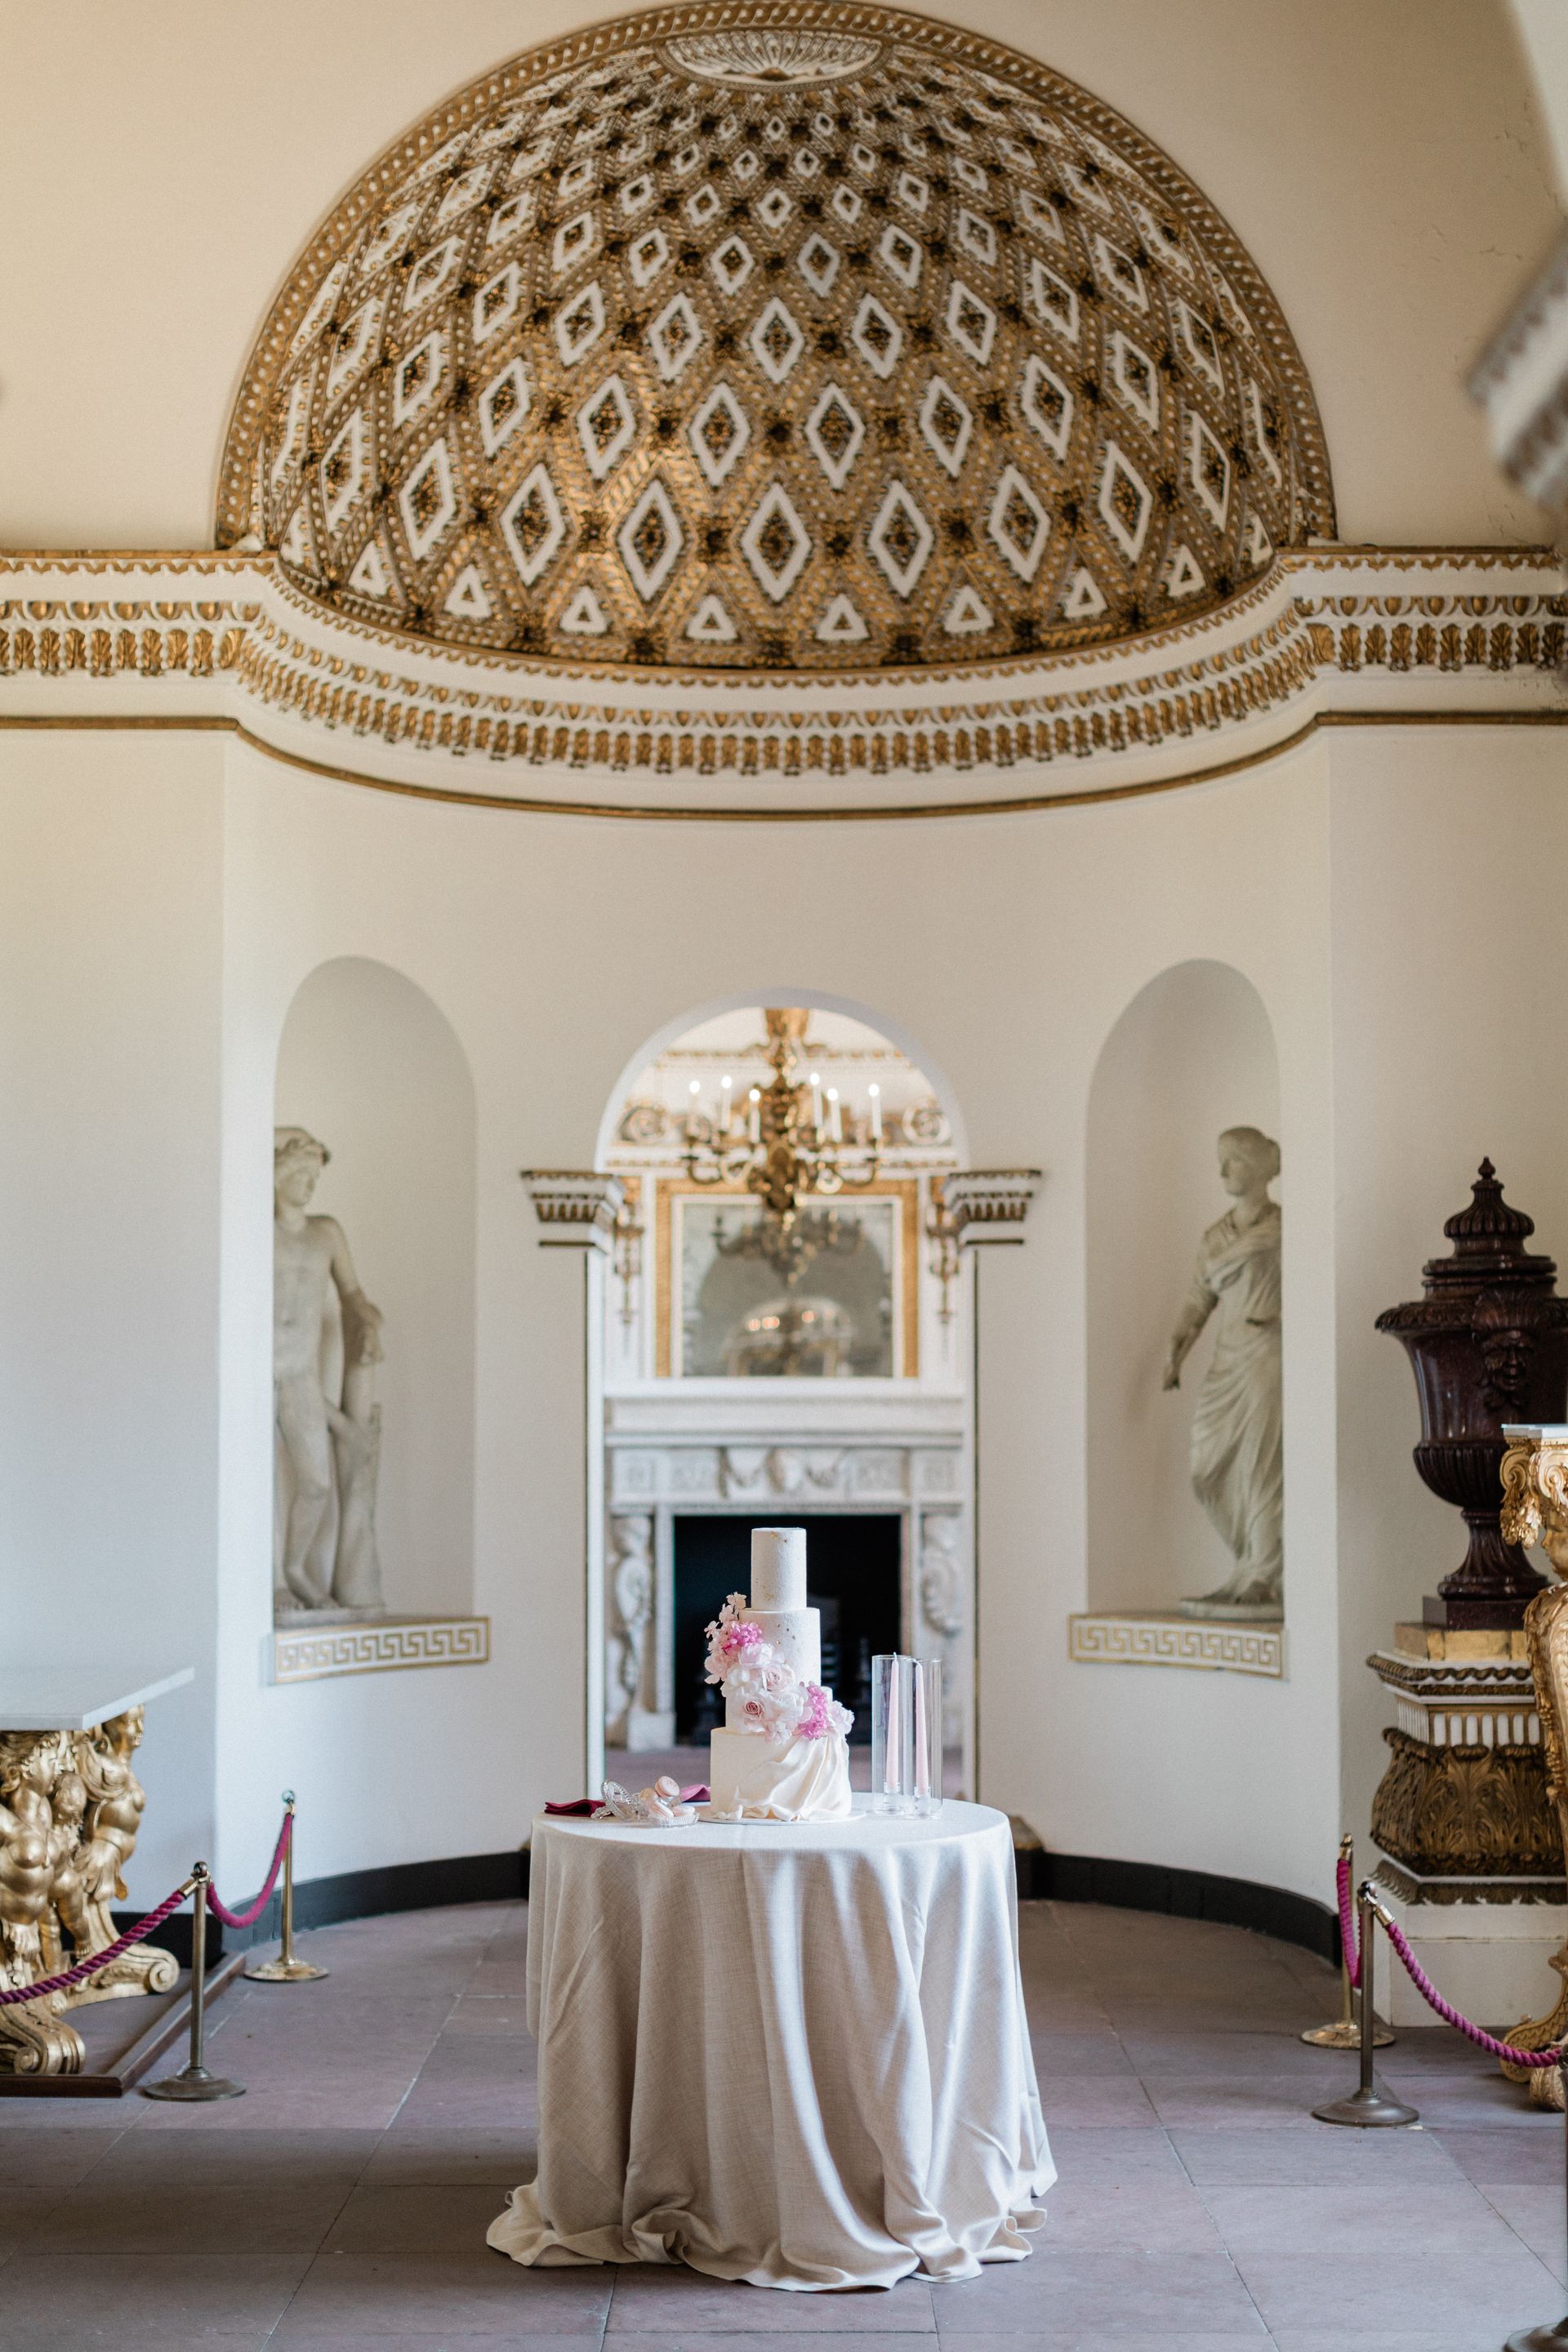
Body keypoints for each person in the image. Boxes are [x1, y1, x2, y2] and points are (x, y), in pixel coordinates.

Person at [1162, 1127, 1283, 1619]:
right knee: (1204, 1467)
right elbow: (1198, 1299)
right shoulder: (1215, 1237)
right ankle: (1247, 1563)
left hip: (1266, 1355)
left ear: (1257, 1166)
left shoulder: (1283, 1229)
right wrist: (1176, 1352)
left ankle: (1262, 1574)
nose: (1222, 1173)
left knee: (1259, 1466)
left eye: (1231, 1161)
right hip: (1227, 1359)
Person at [274, 1128, 385, 1610]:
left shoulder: (326, 1233)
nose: (309, 1184)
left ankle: (296, 1569)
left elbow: (355, 1298)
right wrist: (287, 1137)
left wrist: (370, 1323)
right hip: (253, 1372)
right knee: (253, 1484)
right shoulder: (255, 1228)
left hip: (299, 1376)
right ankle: (273, 1581)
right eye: (301, 1173)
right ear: (276, 1173)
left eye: (315, 1176)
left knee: (316, 1484)